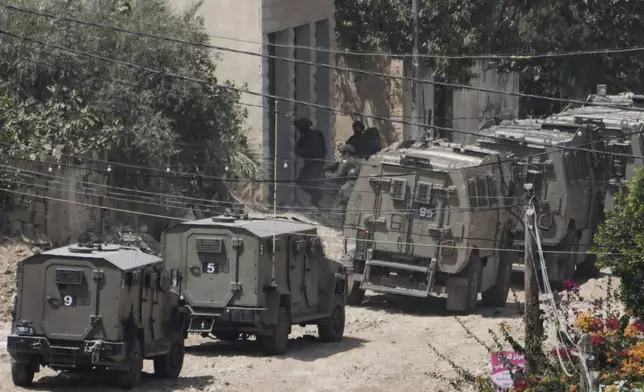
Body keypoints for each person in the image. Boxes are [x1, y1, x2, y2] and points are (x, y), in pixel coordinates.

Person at [294, 117, 327, 206]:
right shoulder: (310, 134)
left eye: (299, 127)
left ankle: (317, 198)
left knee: (305, 181)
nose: (298, 129)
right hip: (314, 163)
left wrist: (299, 151)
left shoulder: (311, 136)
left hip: (314, 163)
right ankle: (316, 200)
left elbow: (310, 151)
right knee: (308, 182)